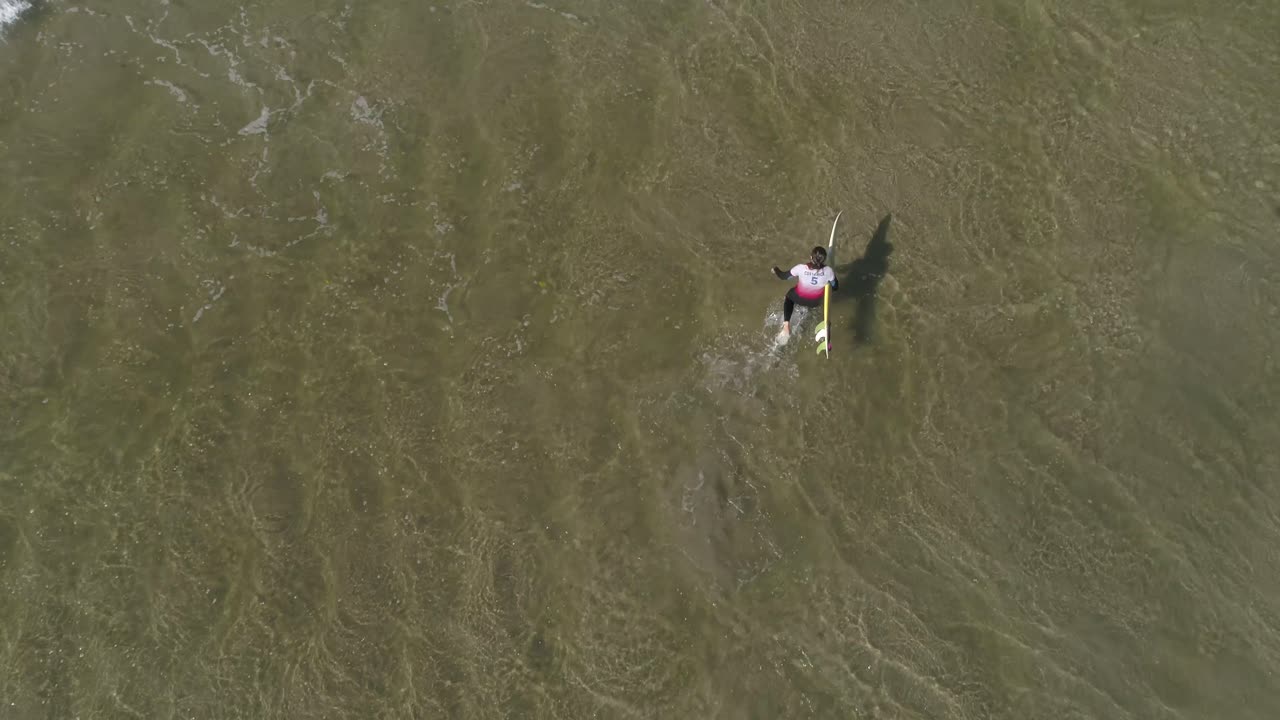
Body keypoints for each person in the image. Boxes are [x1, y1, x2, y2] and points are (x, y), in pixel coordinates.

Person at [772, 246, 837, 340]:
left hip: (797, 298)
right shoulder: (828, 271)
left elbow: (784, 277)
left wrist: (776, 270)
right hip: (815, 302)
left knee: (789, 296)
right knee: (813, 302)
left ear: (811, 257)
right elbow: (835, 287)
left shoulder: (800, 268)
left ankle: (786, 325)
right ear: (824, 259)